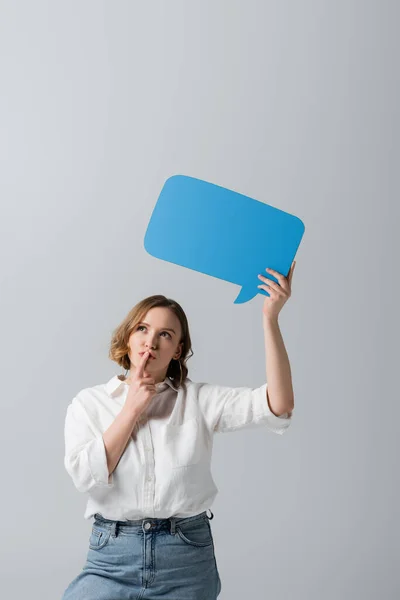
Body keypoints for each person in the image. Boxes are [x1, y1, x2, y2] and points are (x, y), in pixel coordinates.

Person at [62, 267, 295, 599]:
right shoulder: (89, 403)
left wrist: (270, 319)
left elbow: (279, 405)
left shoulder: (197, 399)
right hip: (111, 558)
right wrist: (131, 408)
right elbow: (86, 477)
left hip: (185, 557)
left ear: (177, 349)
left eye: (166, 334)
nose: (151, 341)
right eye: (143, 328)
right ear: (128, 336)